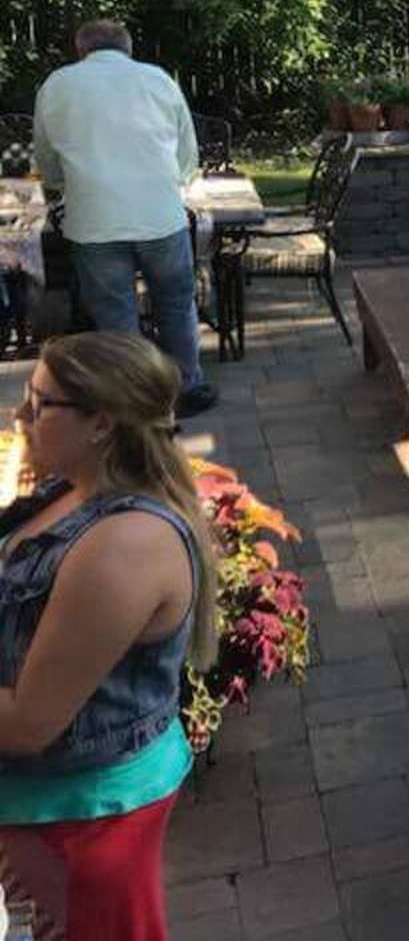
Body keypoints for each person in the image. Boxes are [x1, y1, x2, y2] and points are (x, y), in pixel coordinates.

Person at [0, 333, 219, 940]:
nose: (21, 416)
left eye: (40, 405)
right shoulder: (77, 486)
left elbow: (27, 724)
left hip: (75, 819)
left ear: (100, 422)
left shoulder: (123, 548)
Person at [31, 19, 215, 418]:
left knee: (116, 315)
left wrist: (61, 185)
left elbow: (46, 159)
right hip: (160, 215)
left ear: (82, 50)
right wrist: (177, 180)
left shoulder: (56, 85)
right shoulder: (158, 79)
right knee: (176, 303)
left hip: (93, 220)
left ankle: (135, 398)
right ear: (127, 48)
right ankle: (186, 386)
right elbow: (187, 152)